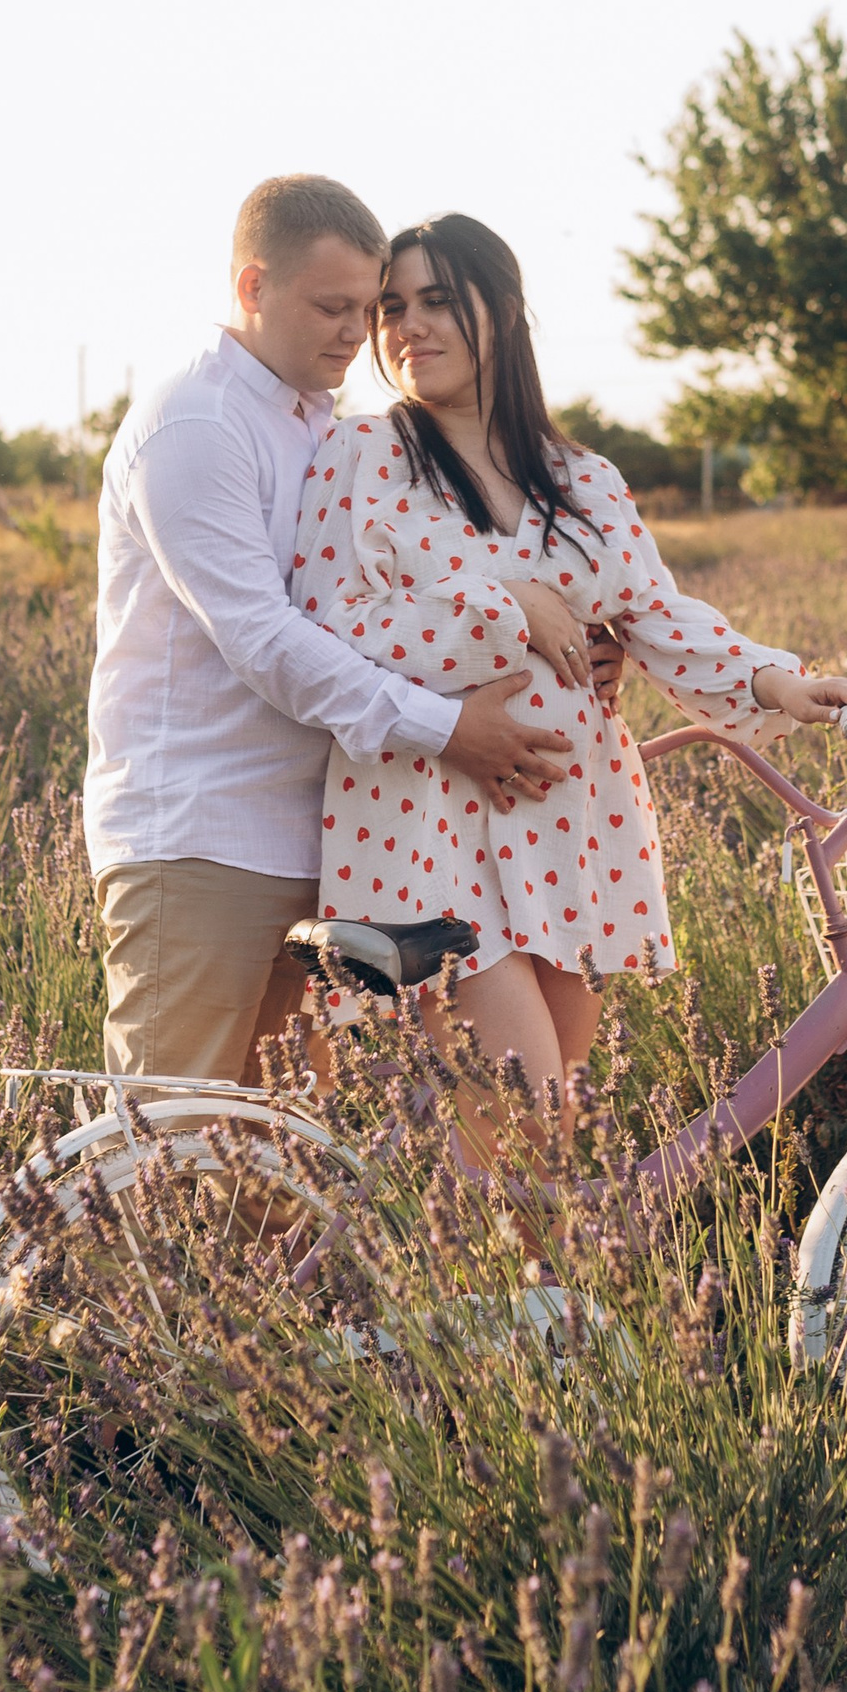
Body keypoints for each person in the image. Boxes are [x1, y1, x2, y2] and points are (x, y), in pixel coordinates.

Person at [289, 211, 847, 1137]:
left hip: (572, 826)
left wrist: (778, 682)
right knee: (537, 1125)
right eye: (392, 307)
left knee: (532, 1161)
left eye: (439, 300)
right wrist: (508, 602)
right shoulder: (363, 457)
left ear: (507, 308)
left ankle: (502, 1288)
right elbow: (334, 624)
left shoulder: (585, 479)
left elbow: (657, 614)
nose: (409, 327)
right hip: (429, 825)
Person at [83, 176, 574, 1088]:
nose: (360, 333)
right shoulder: (198, 423)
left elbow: (409, 577)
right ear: (252, 288)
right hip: (201, 837)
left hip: (323, 839)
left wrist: (541, 612)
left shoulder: (324, 430)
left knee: (277, 1167)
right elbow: (265, 640)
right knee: (168, 1133)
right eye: (333, 306)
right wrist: (449, 726)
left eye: (369, 306)